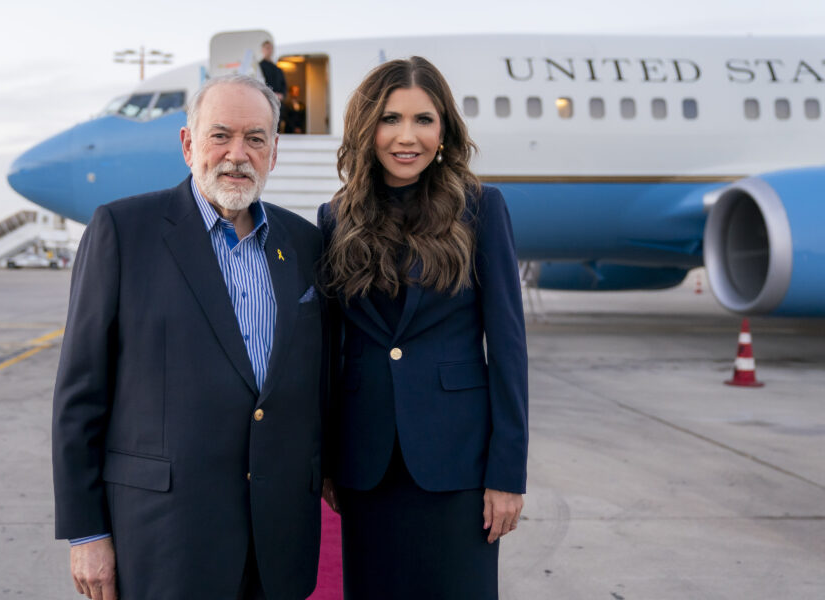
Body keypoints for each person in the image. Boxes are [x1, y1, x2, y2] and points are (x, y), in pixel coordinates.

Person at [53, 74, 326, 600]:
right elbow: (79, 395)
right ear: (188, 145)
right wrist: (87, 533)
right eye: (220, 135)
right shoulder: (123, 231)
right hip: (165, 538)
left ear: (275, 151)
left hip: (279, 540)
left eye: (255, 138)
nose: (237, 154)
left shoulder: (306, 243)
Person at [317, 56, 528, 599]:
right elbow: (331, 350)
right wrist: (325, 459)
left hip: (458, 466)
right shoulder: (336, 217)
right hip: (366, 466)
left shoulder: (480, 208)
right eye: (390, 119)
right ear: (367, 128)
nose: (406, 136)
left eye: (423, 119)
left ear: (444, 130)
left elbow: (507, 347)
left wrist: (508, 473)